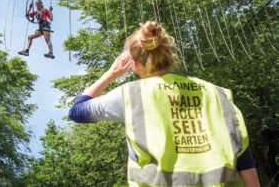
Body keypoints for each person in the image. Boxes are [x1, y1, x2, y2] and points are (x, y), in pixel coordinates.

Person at [69, 21, 260, 186]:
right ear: (170, 54)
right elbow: (244, 161)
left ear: (135, 64)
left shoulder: (130, 95)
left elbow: (77, 111)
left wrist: (111, 74)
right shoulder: (218, 94)